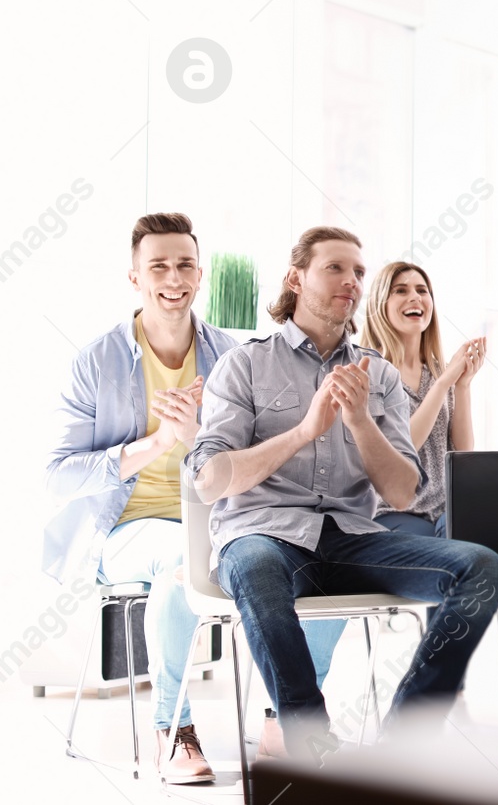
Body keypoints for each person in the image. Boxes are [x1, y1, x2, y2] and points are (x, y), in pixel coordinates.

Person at [188, 226, 498, 760]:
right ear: (295, 278)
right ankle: (313, 747)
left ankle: (402, 745)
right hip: (266, 535)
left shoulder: (375, 375)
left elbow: (403, 493)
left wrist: (361, 423)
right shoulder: (244, 364)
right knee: (255, 566)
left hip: (352, 539)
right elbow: (208, 479)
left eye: (358, 272)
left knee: (483, 569)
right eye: (335, 268)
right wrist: (302, 433)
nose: (352, 281)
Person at [43, 213, 340, 783]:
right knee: (183, 555)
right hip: (128, 528)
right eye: (158, 265)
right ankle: (171, 730)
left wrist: (203, 437)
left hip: (225, 521)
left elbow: (259, 459)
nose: (172, 277)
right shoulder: (95, 363)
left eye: (184, 264)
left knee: (325, 552)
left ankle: (285, 720)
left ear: (200, 274)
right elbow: (59, 476)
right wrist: (159, 442)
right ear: (134, 277)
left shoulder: (234, 356)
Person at [359, 261, 485, 538]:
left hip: (445, 509)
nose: (415, 297)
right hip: (392, 512)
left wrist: (461, 387)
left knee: (470, 536)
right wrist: (443, 385)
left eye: (422, 290)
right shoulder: (370, 372)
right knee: (444, 551)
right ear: (381, 304)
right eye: (401, 291)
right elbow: (403, 447)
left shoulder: (439, 373)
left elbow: (462, 452)